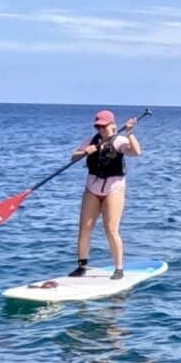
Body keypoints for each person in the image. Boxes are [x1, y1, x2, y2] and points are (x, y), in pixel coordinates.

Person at [69, 109, 144, 278]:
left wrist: (130, 132)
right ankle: (82, 266)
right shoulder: (91, 141)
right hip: (92, 188)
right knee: (85, 228)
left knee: (111, 229)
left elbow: (136, 152)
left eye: (104, 127)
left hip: (114, 188)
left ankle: (118, 268)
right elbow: (73, 157)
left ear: (112, 125)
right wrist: (84, 152)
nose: (101, 130)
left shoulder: (120, 140)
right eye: (98, 127)